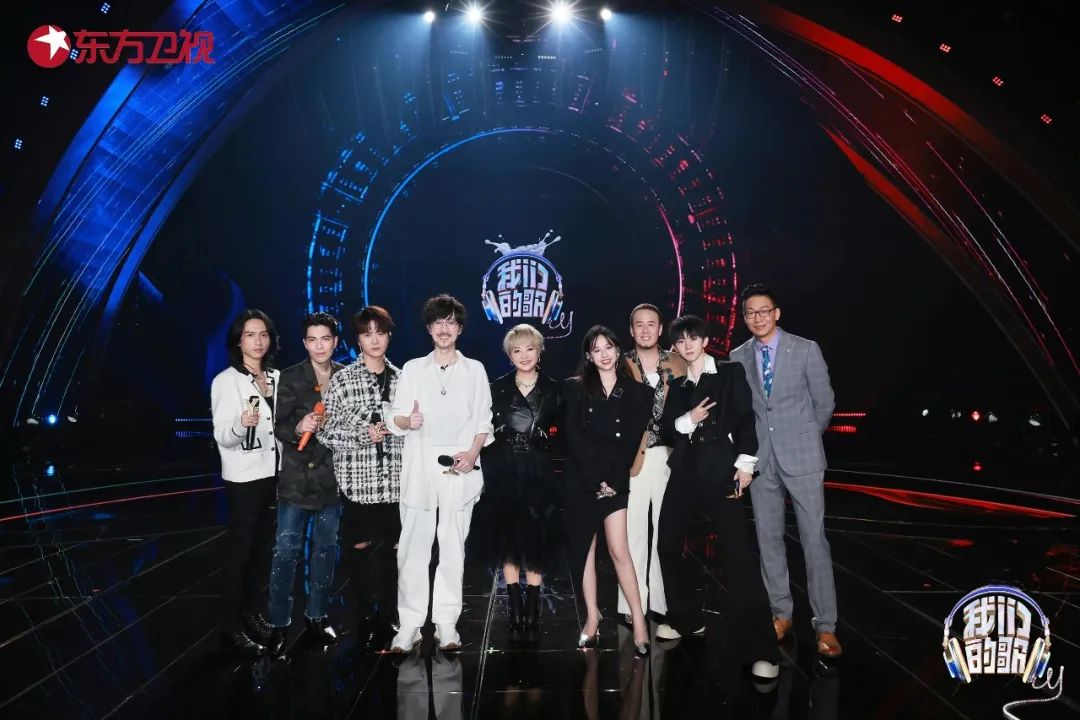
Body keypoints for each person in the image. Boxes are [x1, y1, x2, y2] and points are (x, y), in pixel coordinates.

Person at [657, 314, 780, 679]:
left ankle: (763, 650)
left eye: (693, 338)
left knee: (739, 556)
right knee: (667, 543)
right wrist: (690, 418)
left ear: (705, 340)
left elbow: (745, 420)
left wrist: (745, 464)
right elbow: (668, 430)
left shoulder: (729, 373)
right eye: (681, 341)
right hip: (684, 472)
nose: (687, 345)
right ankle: (686, 618)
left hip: (721, 471)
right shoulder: (678, 384)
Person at [730, 284, 841, 658]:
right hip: (761, 461)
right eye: (750, 312)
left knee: (814, 541)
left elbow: (825, 402)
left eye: (764, 311)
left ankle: (825, 626)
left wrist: (804, 437)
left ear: (777, 313)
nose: (757, 318)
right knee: (769, 540)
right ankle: (781, 614)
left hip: (803, 458)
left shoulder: (806, 349)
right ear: (744, 317)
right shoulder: (738, 356)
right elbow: (742, 411)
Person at [387, 294, 493, 653]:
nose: (444, 329)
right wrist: (408, 420)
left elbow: (483, 420)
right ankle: (410, 625)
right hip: (419, 466)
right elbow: (396, 417)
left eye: (450, 322)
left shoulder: (475, 370)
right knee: (413, 547)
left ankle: (447, 623)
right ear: (429, 329)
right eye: (437, 323)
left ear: (460, 328)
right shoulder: (413, 369)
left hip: (459, 467)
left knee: (452, 547)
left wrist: (472, 454)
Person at [562, 325, 653, 655]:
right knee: (585, 549)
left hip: (615, 480)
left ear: (618, 350)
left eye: (608, 347)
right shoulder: (574, 388)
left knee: (618, 550)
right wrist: (594, 479)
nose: (603, 354)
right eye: (596, 349)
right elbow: (573, 436)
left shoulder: (639, 394)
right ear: (588, 355)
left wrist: (612, 480)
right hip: (582, 479)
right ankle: (592, 617)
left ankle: (639, 621)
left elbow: (630, 441)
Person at [319, 306, 404, 643]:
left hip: (397, 482)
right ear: (358, 340)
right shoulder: (342, 380)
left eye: (380, 333)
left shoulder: (403, 379)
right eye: (367, 334)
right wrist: (362, 435)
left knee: (395, 551)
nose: (374, 340)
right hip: (358, 483)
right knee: (360, 550)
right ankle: (364, 614)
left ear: (389, 336)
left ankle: (390, 614)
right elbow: (326, 432)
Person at [266, 313, 345, 655]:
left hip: (331, 479)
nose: (319, 346)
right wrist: (298, 427)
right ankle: (278, 622)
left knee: (325, 549)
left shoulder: (345, 376)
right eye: (312, 340)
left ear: (335, 342)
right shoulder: (290, 376)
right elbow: (279, 425)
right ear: (304, 343)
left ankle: (317, 615)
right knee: (286, 551)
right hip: (296, 480)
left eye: (325, 339)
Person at [479, 324, 563, 638]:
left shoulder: (555, 389)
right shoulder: (496, 387)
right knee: (508, 539)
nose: (524, 355)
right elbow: (483, 428)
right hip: (505, 468)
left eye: (530, 348)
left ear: (539, 352)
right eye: (517, 350)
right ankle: (514, 602)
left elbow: (564, 432)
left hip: (539, 469)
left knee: (537, 538)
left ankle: (532, 604)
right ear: (509, 355)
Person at [210, 309, 281, 656]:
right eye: (250, 334)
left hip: (273, 474)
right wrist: (241, 424)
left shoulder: (276, 377)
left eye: (263, 334)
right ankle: (230, 625)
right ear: (238, 341)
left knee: (261, 550)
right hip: (243, 478)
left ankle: (252, 613)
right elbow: (223, 436)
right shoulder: (226, 381)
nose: (258, 341)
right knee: (240, 552)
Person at [620, 303, 688, 640]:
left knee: (666, 533)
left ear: (661, 329)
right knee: (631, 534)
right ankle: (631, 604)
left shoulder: (678, 362)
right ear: (631, 329)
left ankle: (661, 603)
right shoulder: (620, 363)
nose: (645, 330)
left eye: (651, 324)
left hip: (668, 457)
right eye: (639, 324)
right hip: (632, 459)